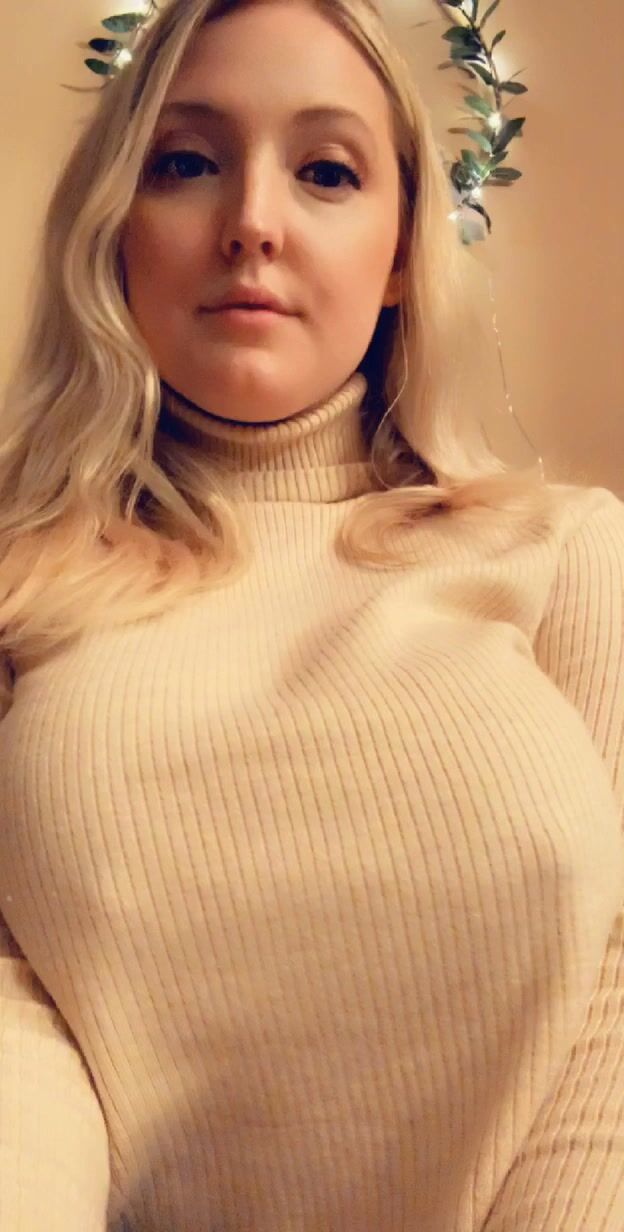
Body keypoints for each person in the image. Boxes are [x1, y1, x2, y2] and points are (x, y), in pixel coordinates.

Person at [0, 0, 622, 1228]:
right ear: (117, 225)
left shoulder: (568, 551)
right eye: (187, 162)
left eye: (327, 171)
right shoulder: (18, 582)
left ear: (398, 253)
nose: (252, 223)